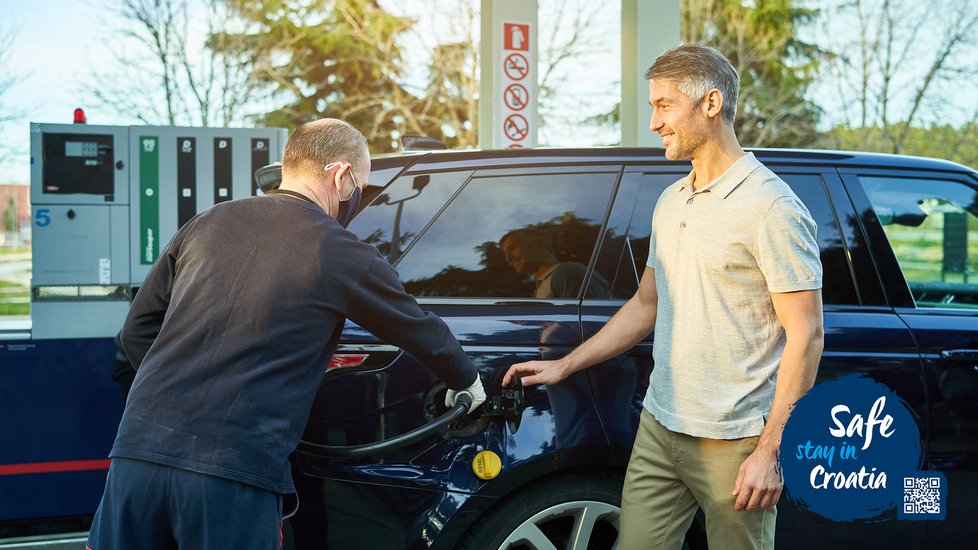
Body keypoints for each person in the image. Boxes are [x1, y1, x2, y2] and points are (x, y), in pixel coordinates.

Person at [87, 118, 486, 550]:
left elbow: (136, 330)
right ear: (341, 175)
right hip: (232, 470)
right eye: (362, 186)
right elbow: (417, 327)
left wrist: (179, 390)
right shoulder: (337, 250)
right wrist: (469, 381)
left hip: (137, 453)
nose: (357, 197)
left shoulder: (207, 222)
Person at [504, 44, 824, 550]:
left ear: (711, 104)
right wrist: (566, 364)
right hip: (659, 425)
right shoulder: (672, 199)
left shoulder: (771, 207)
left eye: (664, 105)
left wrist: (772, 451)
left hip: (734, 439)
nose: (654, 122)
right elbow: (645, 305)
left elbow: (806, 333)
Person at [500, 227, 610, 299]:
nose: (507, 258)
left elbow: (585, 325)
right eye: (505, 253)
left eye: (512, 248)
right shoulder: (545, 282)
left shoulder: (567, 273)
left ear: (540, 243)